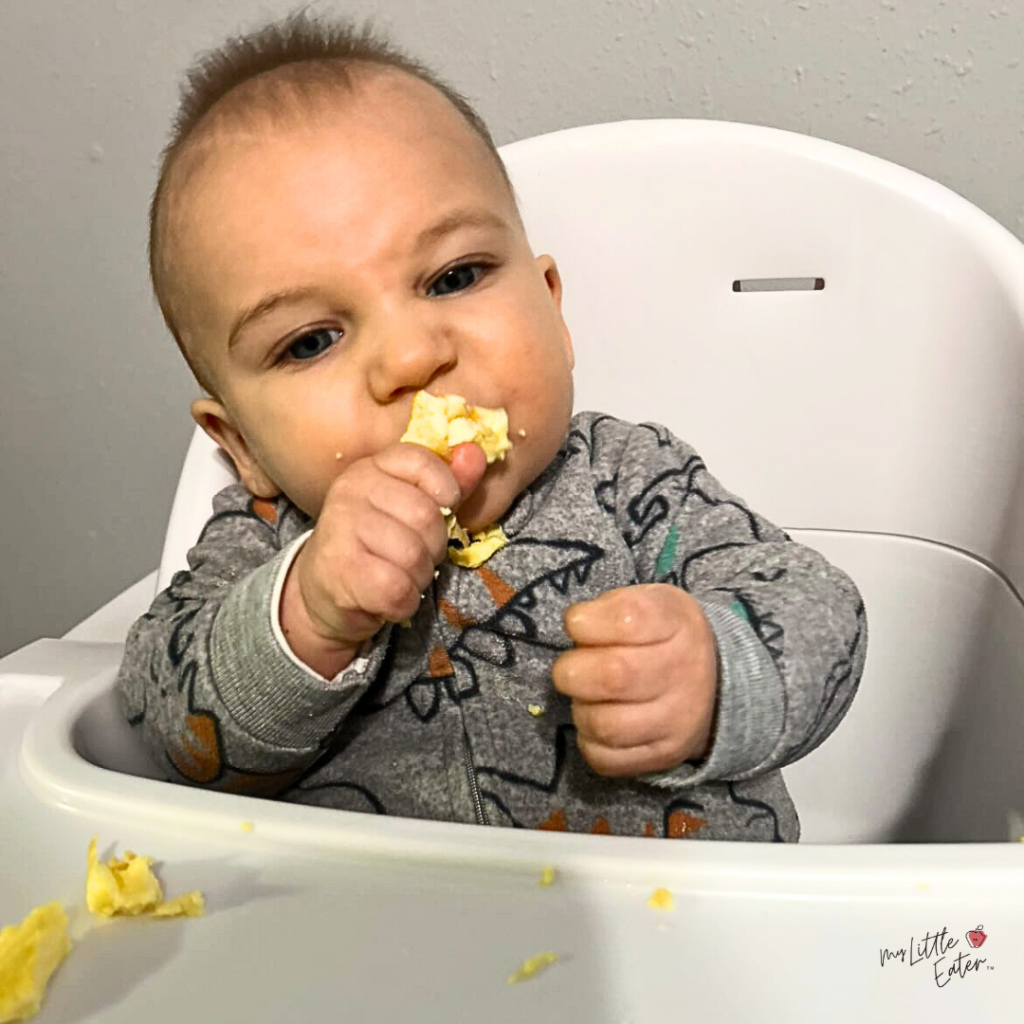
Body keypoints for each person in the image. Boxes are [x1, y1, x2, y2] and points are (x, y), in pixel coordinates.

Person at [118, 10, 867, 841]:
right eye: (311, 341)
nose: (410, 356)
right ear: (243, 448)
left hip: (683, 939)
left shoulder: (628, 479)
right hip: (375, 950)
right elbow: (163, 723)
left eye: (453, 276)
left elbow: (818, 614)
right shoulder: (264, 546)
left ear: (552, 308)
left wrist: (718, 673)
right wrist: (309, 618)